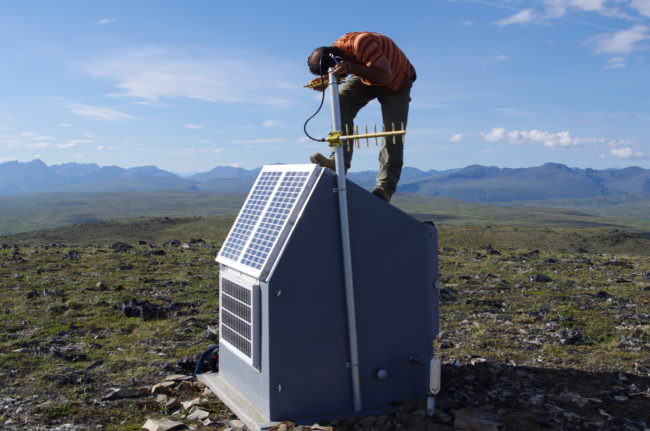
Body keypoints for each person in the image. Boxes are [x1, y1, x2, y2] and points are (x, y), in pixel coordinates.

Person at [307, 31, 416, 202]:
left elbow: (384, 75)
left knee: (392, 134)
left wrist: (350, 68)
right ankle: (338, 160)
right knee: (340, 100)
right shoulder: (338, 50)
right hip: (367, 75)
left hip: (395, 81)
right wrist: (329, 80)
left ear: (337, 61)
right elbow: (350, 69)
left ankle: (384, 189)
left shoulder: (361, 43)